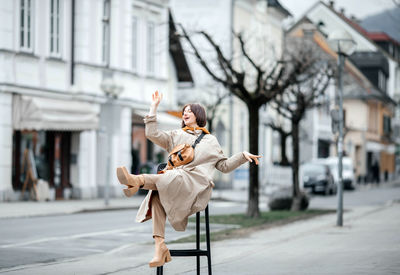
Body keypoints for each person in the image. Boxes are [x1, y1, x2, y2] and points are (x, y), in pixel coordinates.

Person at [116, 91, 261, 268]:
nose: (185, 113)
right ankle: (159, 246)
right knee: (158, 192)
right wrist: (154, 107)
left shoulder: (210, 141)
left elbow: (224, 166)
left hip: (197, 185)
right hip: (173, 181)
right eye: (184, 111)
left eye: (189, 111)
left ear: (198, 115)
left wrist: (242, 156)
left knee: (168, 178)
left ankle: (136, 181)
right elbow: (152, 134)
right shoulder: (175, 135)